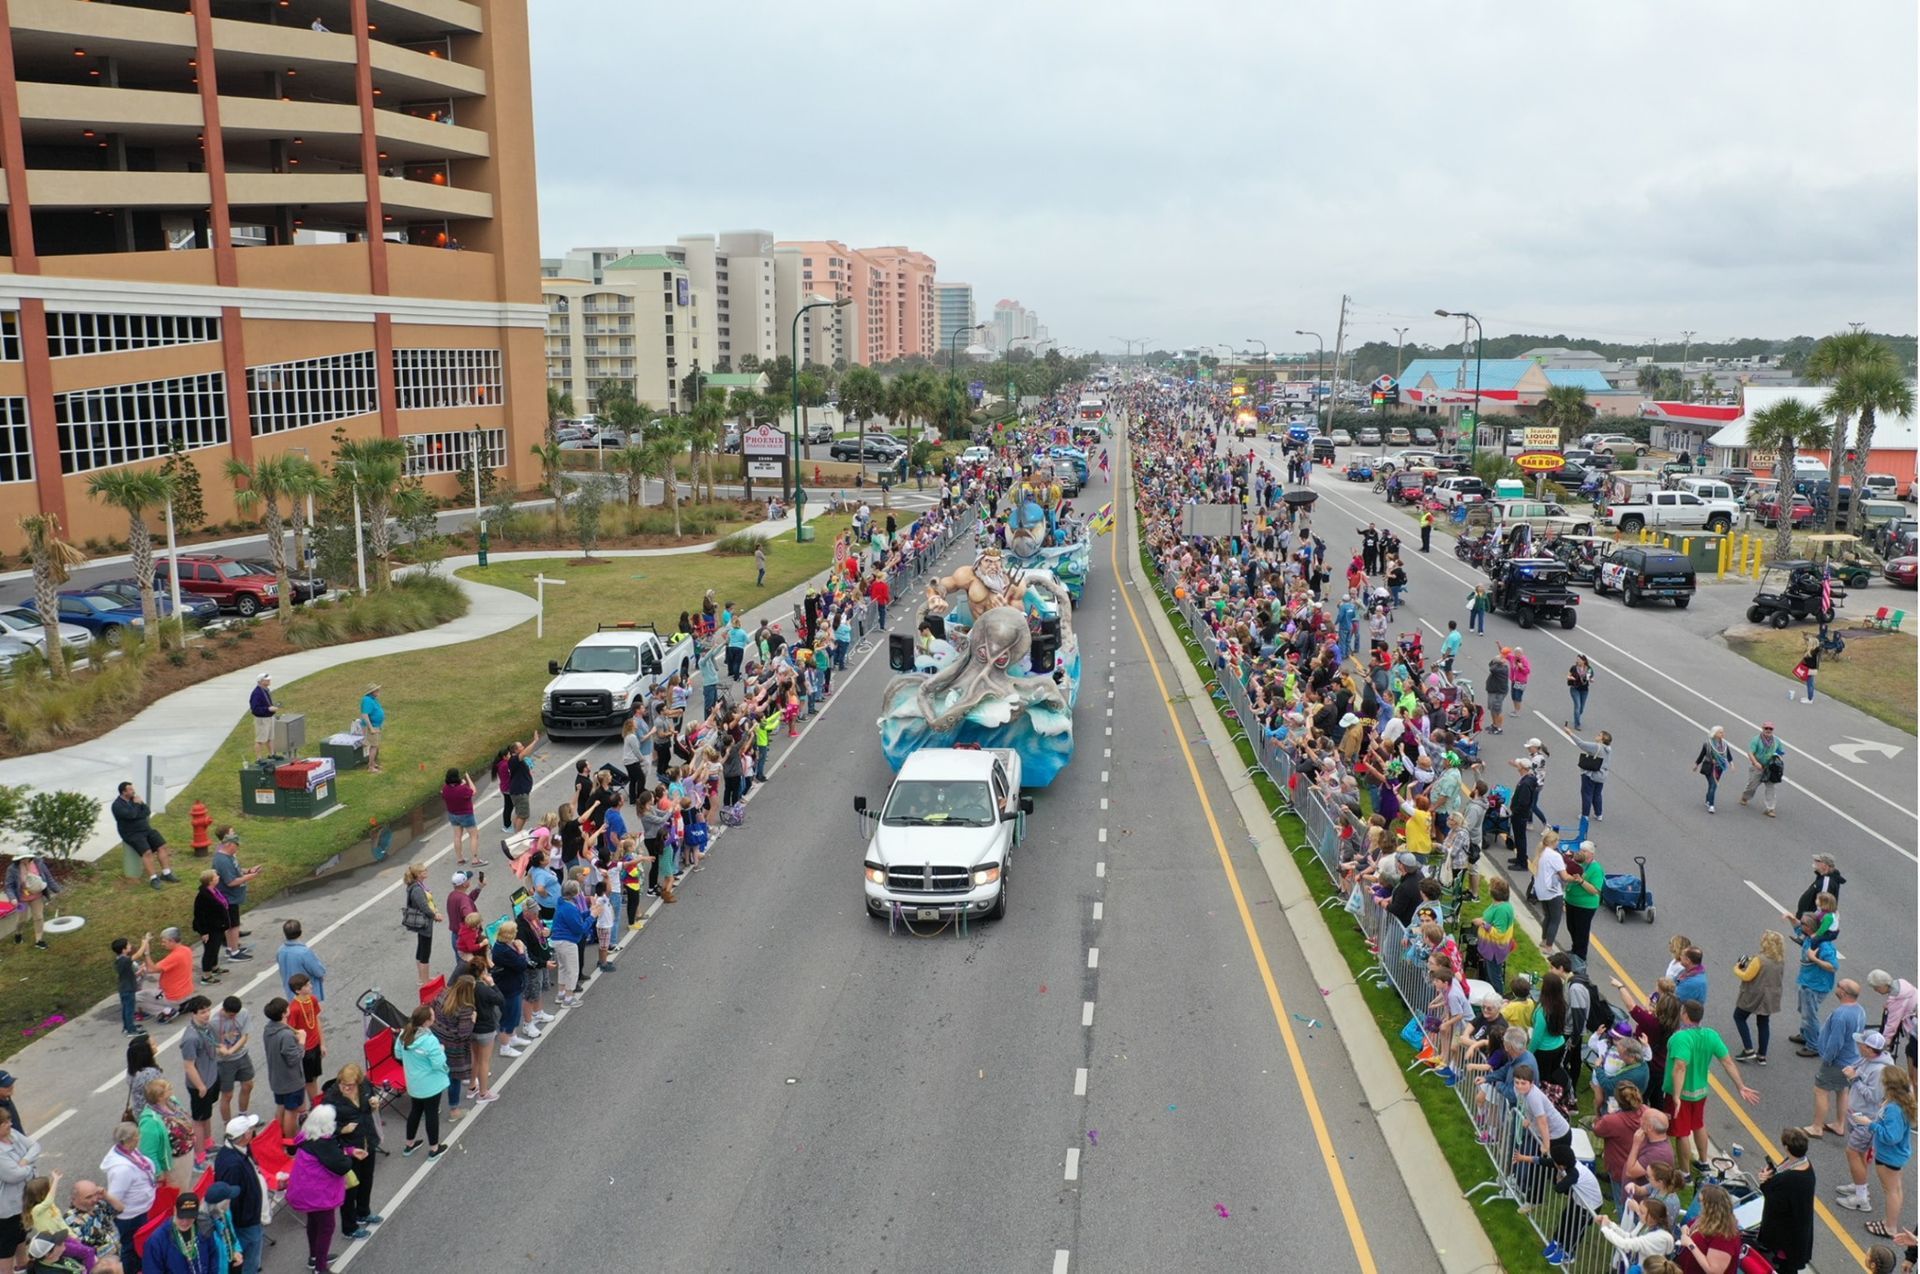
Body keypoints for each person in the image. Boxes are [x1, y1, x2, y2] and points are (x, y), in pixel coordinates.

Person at [1666, 998, 1760, 1173]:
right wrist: (1740, 1086)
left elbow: (1680, 1067)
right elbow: (1727, 1061)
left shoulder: (1680, 1037)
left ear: (1685, 1014)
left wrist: (1676, 1096)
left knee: (1682, 1133)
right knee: (1699, 1125)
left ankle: (1685, 1173)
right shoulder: (1711, 1035)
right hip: (1700, 1091)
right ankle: (1703, 1163)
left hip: (1683, 1094)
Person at [286, 1104, 357, 1274]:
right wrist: (350, 1155)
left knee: (314, 1223)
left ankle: (315, 1257)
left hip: (305, 1189)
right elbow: (341, 1165)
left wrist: (347, 1151)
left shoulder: (307, 1136)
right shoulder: (325, 1144)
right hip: (319, 1193)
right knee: (326, 1227)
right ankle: (320, 1268)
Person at [319, 1067, 381, 1241]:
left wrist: (374, 1103)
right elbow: (323, 1127)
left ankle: (363, 1212)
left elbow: (370, 1101)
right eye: (344, 1085)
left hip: (368, 1140)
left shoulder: (365, 1086)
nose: (347, 1088)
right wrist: (342, 1129)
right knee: (350, 1188)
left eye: (351, 1085)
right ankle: (349, 1227)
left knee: (367, 1179)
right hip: (347, 1148)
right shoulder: (331, 1100)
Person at [1851, 1066, 1913, 1240]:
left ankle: (1889, 1226)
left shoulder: (1894, 1108)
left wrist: (1869, 1123)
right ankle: (1889, 1222)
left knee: (1891, 1190)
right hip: (1897, 1155)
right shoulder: (1901, 1101)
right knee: (1896, 1189)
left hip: (1889, 1156)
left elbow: (1891, 1136)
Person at [204, 1115, 264, 1274]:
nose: (253, 1131)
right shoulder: (233, 1165)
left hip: (247, 1219)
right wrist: (250, 1216)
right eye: (251, 1129)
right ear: (245, 1135)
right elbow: (232, 1201)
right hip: (246, 1222)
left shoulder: (233, 1151)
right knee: (249, 1261)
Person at [1806, 978, 1866, 1132]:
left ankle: (1817, 1127)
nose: (1836, 987)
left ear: (1843, 992)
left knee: (1821, 1090)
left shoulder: (1841, 1015)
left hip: (1837, 1061)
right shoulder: (1860, 1010)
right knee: (1842, 1090)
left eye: (1838, 986)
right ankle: (1840, 1124)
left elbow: (1836, 1042)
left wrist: (1827, 1059)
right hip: (1852, 1059)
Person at [393, 1006, 449, 1159]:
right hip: (430, 1084)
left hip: (414, 1083)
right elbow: (438, 1064)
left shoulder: (405, 1033)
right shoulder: (430, 1041)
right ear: (426, 1022)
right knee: (431, 1114)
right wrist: (441, 1050)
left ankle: (409, 1144)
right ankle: (434, 1148)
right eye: (432, 1015)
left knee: (415, 1111)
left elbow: (398, 1054)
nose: (434, 1016)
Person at [95, 1123, 153, 1265]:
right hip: (130, 1217)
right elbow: (115, 1198)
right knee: (130, 1248)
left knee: (136, 1245)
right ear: (129, 1140)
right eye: (137, 1135)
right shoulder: (122, 1170)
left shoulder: (127, 1151)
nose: (140, 1137)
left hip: (138, 1211)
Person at [1733, 930, 1786, 1066]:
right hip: (1770, 995)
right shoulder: (1779, 960)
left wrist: (1737, 968)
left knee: (1739, 1017)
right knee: (1763, 1022)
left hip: (1754, 994)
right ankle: (1762, 1055)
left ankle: (1748, 1049)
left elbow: (1747, 976)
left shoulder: (1759, 960)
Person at [0, 1106, 44, 1272]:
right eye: (5, 1122)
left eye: (9, 1120)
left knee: (20, 1235)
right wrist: (30, 1166)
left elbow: (35, 1146)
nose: (10, 1124)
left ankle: (22, 1265)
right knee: (6, 1247)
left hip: (21, 1201)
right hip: (6, 1207)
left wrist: (25, 1161)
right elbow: (13, 1175)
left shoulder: (13, 1135)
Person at [109, 784, 176, 890]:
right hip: (131, 833)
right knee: (147, 852)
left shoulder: (134, 800)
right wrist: (136, 806)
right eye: (130, 789)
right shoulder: (117, 805)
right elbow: (131, 815)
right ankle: (153, 878)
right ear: (123, 792)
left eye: (132, 789)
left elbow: (146, 811)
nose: (133, 791)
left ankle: (166, 873)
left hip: (146, 829)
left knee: (162, 846)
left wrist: (137, 810)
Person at [207, 830, 258, 963]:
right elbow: (231, 882)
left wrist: (248, 870)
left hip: (232, 898)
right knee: (233, 926)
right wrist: (249, 877)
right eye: (236, 845)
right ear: (229, 844)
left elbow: (236, 870)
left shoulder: (229, 857)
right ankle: (234, 952)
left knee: (232, 925)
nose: (237, 847)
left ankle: (232, 948)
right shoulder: (222, 860)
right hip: (227, 899)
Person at [259, 997, 305, 1139]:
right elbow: (294, 1059)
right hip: (291, 1081)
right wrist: (302, 1041)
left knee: (281, 1107)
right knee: (291, 1112)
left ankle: (278, 1137)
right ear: (284, 1013)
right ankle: (290, 1143)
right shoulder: (286, 1035)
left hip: (277, 1079)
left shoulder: (269, 1029)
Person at [1791, 924, 1840, 1054]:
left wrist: (1813, 959)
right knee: (1803, 1010)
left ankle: (1813, 1045)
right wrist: (1791, 919)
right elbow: (1797, 929)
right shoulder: (1809, 937)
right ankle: (1806, 1035)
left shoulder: (1823, 945)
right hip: (1807, 982)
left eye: (1804, 924)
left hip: (1815, 986)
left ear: (1811, 927)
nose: (1801, 926)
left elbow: (1833, 966)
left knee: (1809, 1016)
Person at [138, 1194, 216, 1274]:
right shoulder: (157, 1241)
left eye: (189, 1217)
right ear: (175, 1210)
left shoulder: (204, 1229)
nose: (185, 1222)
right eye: (181, 1217)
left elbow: (213, 1258)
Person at [1674, 1183, 1742, 1274]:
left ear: (1711, 1207)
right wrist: (1684, 1230)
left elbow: (1714, 1271)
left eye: (1701, 1201)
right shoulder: (1706, 1217)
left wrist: (1690, 1244)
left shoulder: (1725, 1235)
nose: (1699, 1204)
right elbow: (1686, 1226)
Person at [210, 996, 253, 1127]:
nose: (233, 1017)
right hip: (224, 1062)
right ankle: (228, 1126)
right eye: (231, 1014)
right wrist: (223, 1051)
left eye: (236, 1014)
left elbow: (244, 1036)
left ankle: (243, 1116)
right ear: (224, 1009)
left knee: (248, 1085)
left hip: (241, 1055)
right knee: (227, 1095)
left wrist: (232, 1050)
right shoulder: (214, 1022)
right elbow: (213, 1045)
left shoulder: (243, 1013)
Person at [2, 853, 59, 952]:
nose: (24, 860)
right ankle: (18, 933)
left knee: (39, 917)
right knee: (22, 919)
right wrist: (12, 898)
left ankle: (39, 940)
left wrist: (57, 890)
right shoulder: (12, 869)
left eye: (26, 857)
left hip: (37, 897)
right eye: (22, 858)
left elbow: (48, 878)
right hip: (21, 900)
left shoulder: (39, 864)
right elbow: (9, 885)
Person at [1560, 841, 1604, 962]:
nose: (1581, 853)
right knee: (1571, 927)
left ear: (1591, 854)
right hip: (1571, 901)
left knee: (1581, 931)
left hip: (1586, 906)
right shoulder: (1578, 862)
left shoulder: (1596, 869)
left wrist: (1581, 881)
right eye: (1581, 850)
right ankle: (1575, 949)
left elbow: (1595, 890)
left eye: (1584, 851)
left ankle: (1580, 956)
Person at [399, 864, 440, 987]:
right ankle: (425, 980)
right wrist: (435, 915)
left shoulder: (418, 886)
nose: (426, 871)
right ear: (417, 874)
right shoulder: (417, 889)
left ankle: (423, 977)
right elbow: (424, 907)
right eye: (423, 870)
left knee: (421, 948)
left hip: (423, 922)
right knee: (425, 951)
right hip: (424, 923)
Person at [285, 974, 324, 1103]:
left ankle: (315, 1099)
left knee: (315, 1076)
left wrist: (322, 1043)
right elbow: (291, 1030)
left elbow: (317, 1020)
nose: (311, 986)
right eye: (307, 985)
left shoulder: (312, 999)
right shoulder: (294, 1008)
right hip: (305, 1049)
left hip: (315, 1045)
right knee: (308, 1079)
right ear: (298, 990)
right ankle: (314, 1103)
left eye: (309, 984)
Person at [189, 873, 231, 985]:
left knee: (216, 948)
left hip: (218, 926)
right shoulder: (203, 896)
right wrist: (204, 932)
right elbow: (199, 915)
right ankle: (206, 975)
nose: (218, 877)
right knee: (210, 950)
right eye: (215, 877)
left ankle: (215, 967)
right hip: (210, 929)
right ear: (210, 881)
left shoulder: (213, 891)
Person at [1532, 827, 1567, 953]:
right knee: (1555, 919)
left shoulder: (1542, 853)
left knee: (1547, 916)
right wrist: (1574, 879)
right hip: (1553, 892)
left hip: (1542, 891)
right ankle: (1549, 946)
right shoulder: (1555, 856)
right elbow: (1564, 876)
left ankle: (1543, 939)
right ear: (1554, 841)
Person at [1740, 721, 1785, 817]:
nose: (1768, 730)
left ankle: (1770, 809)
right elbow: (1750, 753)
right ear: (1762, 729)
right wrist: (1756, 763)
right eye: (1766, 728)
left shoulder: (1776, 741)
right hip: (1758, 767)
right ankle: (1745, 797)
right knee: (1752, 785)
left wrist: (1778, 760)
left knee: (1771, 788)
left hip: (1770, 768)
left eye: (1770, 729)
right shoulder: (1756, 740)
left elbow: (1780, 752)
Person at [274, 919, 325, 1003]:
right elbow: (318, 971)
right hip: (306, 993)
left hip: (291, 992)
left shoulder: (280, 950)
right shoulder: (304, 952)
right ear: (300, 932)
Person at [1567, 726, 1611, 822]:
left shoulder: (1597, 746)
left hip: (1591, 774)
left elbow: (1581, 744)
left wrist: (1570, 733)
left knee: (1586, 794)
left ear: (1602, 739)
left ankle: (1585, 814)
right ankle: (1598, 814)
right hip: (1602, 776)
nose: (1597, 735)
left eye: (1599, 735)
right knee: (1597, 794)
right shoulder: (1608, 749)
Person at [441, 770, 479, 867]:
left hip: (453, 815)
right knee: (474, 836)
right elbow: (473, 791)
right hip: (466, 814)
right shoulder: (462, 789)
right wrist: (468, 779)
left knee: (457, 836)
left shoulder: (445, 789)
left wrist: (462, 785)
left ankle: (460, 859)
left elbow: (444, 794)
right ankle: (475, 859)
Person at [1695, 726, 1733, 814]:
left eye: (1723, 732)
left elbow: (1728, 755)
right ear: (1715, 733)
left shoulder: (1724, 745)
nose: (1723, 734)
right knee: (1713, 785)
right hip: (1709, 767)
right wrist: (1696, 765)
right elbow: (1702, 755)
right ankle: (1711, 805)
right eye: (1720, 732)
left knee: (1712, 785)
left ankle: (1708, 799)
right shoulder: (1708, 744)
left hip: (1719, 768)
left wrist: (1732, 764)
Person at [247, 674, 278, 761]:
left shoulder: (265, 690)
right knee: (260, 740)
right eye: (267, 680)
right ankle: (259, 758)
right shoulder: (256, 693)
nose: (269, 681)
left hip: (269, 717)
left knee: (270, 738)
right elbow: (255, 709)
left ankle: (272, 754)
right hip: (262, 719)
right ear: (261, 681)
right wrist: (268, 709)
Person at [356, 684, 384, 773]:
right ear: (372, 692)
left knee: (376, 745)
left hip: (376, 725)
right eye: (376, 690)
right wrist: (371, 728)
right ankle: (371, 767)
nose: (378, 692)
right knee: (374, 746)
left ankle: (373, 763)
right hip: (371, 726)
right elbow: (365, 715)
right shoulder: (367, 700)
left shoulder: (373, 699)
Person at [1566, 654, 1593, 730]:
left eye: (1580, 660)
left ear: (1584, 661)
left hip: (1584, 690)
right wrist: (1571, 677)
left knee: (1581, 709)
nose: (1578, 661)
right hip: (1575, 689)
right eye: (1577, 659)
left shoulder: (1588, 669)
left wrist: (1591, 679)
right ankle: (1577, 724)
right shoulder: (1574, 668)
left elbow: (1591, 677)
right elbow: (1568, 676)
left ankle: (1576, 716)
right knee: (1577, 706)